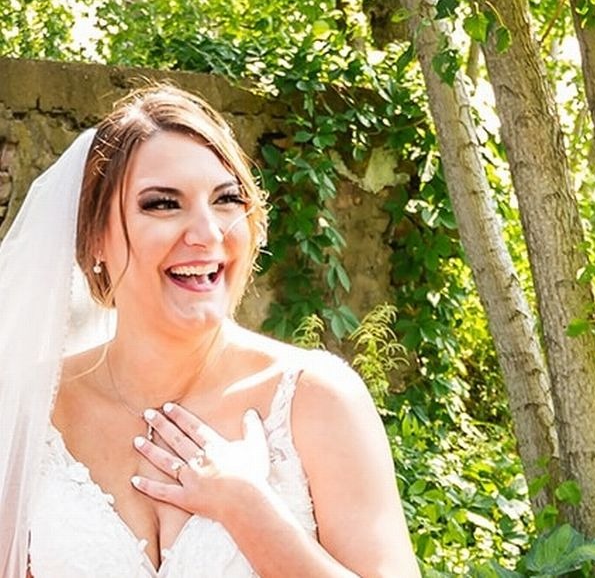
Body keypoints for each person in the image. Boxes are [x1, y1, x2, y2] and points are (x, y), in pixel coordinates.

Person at [0, 85, 420, 577]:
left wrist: (248, 511)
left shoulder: (315, 398)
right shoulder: (31, 405)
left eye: (226, 200)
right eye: (162, 204)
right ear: (94, 237)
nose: (208, 233)